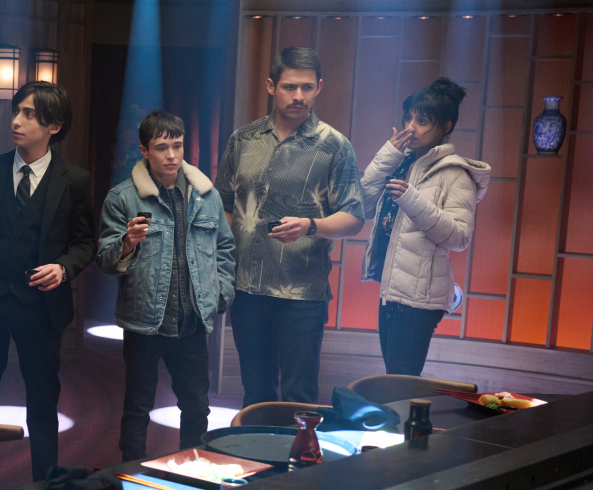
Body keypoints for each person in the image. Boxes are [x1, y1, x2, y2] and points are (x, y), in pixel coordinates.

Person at [214, 46, 365, 407]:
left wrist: (310, 225)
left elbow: (354, 217)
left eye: (307, 87)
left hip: (302, 293)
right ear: (271, 86)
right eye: (290, 87)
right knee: (256, 393)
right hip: (247, 289)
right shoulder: (243, 139)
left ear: (319, 88)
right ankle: (256, 446)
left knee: (299, 397)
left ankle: (300, 448)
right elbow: (222, 205)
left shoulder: (334, 146)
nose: (299, 96)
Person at [0, 81, 96, 488]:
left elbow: (85, 242)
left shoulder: (74, 179)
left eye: (29, 115)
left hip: (41, 308)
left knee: (42, 404)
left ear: (54, 126)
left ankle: (45, 483)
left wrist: (63, 268)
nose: (16, 121)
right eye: (17, 111)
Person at [98, 110, 235, 458]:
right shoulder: (123, 197)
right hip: (145, 323)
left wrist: (221, 293)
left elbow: (225, 247)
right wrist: (127, 243)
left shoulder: (207, 195)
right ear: (145, 151)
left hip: (192, 322)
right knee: (137, 408)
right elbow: (105, 261)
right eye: (161, 148)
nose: (171, 155)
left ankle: (192, 475)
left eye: (177, 146)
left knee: (197, 408)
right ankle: (131, 477)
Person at [360, 78, 489, 376]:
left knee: (401, 381)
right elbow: (362, 207)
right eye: (408, 118)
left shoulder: (455, 173)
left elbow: (460, 237)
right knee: (394, 379)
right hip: (392, 290)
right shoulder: (401, 162)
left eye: (422, 121)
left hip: (420, 299)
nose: (411, 128)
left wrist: (411, 200)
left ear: (445, 127)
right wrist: (387, 155)